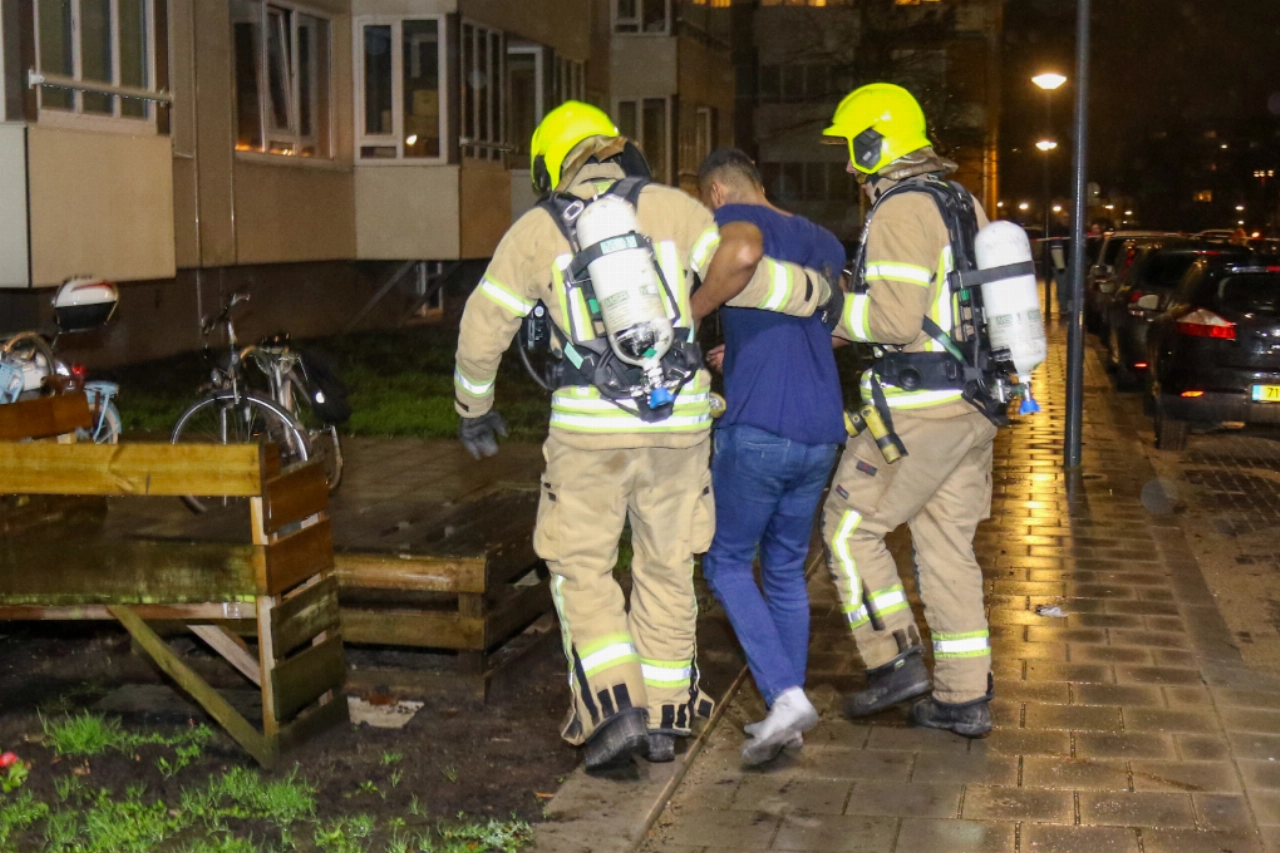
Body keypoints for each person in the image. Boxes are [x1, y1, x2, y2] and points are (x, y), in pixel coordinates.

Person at [453, 102, 834, 770]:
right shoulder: (675, 208)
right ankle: (663, 719)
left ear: (552, 162)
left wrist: (473, 405)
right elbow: (748, 267)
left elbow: (485, 323)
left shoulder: (537, 229)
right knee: (667, 566)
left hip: (590, 433)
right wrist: (818, 294)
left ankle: (611, 710)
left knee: (583, 567)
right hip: (680, 426)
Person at [820, 83, 999, 738]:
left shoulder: (899, 210)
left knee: (848, 527)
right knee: (946, 545)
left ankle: (892, 656)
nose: (848, 165)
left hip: (920, 409)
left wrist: (825, 305)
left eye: (852, 148)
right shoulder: (963, 201)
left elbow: (893, 321)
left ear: (878, 140)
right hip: (973, 405)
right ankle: (962, 696)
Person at [692, 149, 846, 765]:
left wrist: (694, 311)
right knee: (783, 570)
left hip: (759, 426)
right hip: (819, 429)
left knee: (726, 563)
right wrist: (745, 349)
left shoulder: (733, 220)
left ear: (718, 193)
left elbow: (743, 252)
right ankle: (792, 715)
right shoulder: (823, 238)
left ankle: (783, 696)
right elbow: (832, 329)